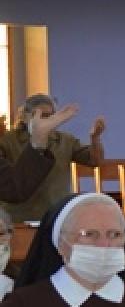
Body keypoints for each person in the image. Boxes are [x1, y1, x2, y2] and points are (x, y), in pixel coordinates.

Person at [0, 94, 104, 223]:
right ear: (25, 117)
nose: (47, 121)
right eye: (41, 116)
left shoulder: (65, 140)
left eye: (51, 116)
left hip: (56, 214)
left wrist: (95, 138)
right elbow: (10, 185)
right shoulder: (8, 140)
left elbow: (94, 161)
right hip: (19, 217)